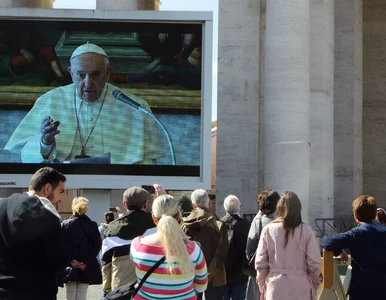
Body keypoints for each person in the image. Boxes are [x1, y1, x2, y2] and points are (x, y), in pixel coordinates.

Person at [4, 42, 164, 164]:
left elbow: (147, 162)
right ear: (71, 73)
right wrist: (45, 142)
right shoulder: (50, 100)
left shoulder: (134, 106)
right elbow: (25, 155)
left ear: (108, 73)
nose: (88, 83)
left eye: (95, 75)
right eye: (81, 75)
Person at [0, 167, 69, 300]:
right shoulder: (47, 212)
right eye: (61, 192)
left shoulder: (2, 205)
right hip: (37, 292)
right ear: (47, 188)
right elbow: (58, 261)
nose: (60, 198)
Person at [130, 194, 208, 299]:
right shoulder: (194, 250)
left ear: (153, 217)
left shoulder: (137, 245)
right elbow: (201, 286)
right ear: (178, 216)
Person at [255, 191, 322, 300]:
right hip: (301, 287)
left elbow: (260, 262)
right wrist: (313, 285)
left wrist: (263, 285)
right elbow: (314, 263)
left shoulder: (268, 229)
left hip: (275, 286)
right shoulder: (306, 231)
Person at [321, 195, 386, 300]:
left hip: (362, 291)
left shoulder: (357, 233)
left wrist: (339, 250)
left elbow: (326, 241)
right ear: (375, 215)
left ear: (355, 216)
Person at [101, 186, 157, 295]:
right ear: (145, 204)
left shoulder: (111, 229)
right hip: (149, 288)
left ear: (124, 205)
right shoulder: (155, 226)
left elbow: (106, 264)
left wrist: (108, 290)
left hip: (120, 289)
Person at [182, 189, 228, 300]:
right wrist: (208, 273)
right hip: (215, 276)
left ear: (193, 205)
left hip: (190, 275)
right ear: (209, 203)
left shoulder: (183, 225)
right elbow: (221, 253)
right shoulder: (219, 224)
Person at [60, 197, 102, 300]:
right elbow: (97, 245)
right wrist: (85, 262)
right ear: (86, 208)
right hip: (86, 264)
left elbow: (61, 244)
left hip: (70, 264)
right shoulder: (92, 225)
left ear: (72, 207)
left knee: (70, 294)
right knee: (82, 295)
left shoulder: (65, 224)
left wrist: (71, 260)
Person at [245, 189, 280, 300]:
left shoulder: (258, 222)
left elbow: (249, 249)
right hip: (280, 273)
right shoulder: (285, 223)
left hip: (260, 273)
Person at [220, 195, 250, 300]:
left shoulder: (219, 224)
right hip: (241, 272)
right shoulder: (247, 225)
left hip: (223, 273)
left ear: (224, 207)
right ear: (240, 206)